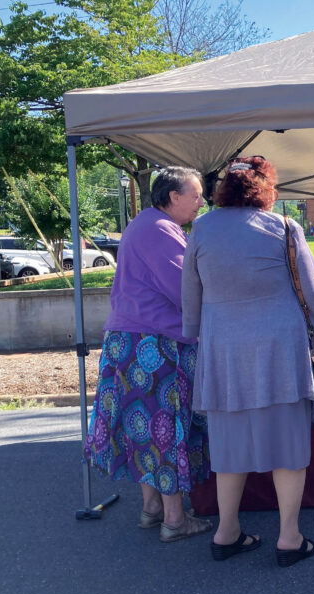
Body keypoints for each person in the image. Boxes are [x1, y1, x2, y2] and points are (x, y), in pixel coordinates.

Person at [181, 156, 314, 566]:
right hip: (280, 352)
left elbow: (191, 298)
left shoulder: (201, 228)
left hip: (223, 353)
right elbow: (313, 291)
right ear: (266, 190)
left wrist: (197, 333)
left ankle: (226, 532)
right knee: (288, 445)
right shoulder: (284, 228)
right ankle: (289, 538)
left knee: (228, 447)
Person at [83, 166, 212, 543]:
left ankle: (152, 508)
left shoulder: (145, 224)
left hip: (133, 341)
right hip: (156, 344)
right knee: (166, 427)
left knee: (144, 427)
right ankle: (175, 519)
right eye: (196, 194)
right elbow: (186, 289)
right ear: (174, 196)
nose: (201, 201)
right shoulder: (159, 230)